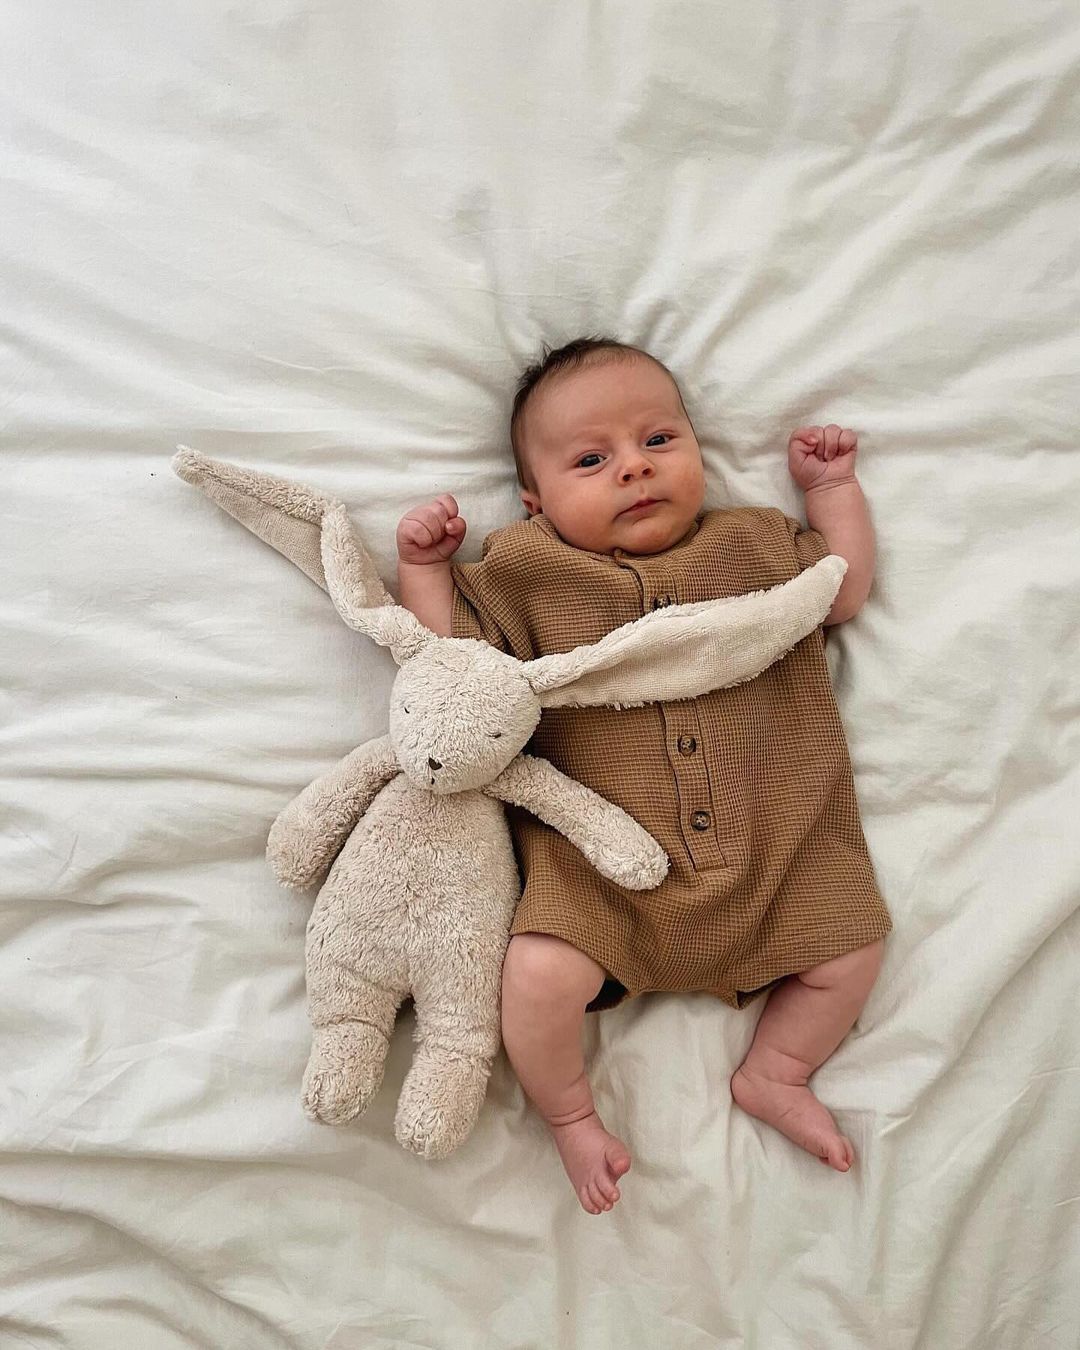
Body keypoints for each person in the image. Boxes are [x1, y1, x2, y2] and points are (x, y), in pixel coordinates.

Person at [396, 337, 891, 1215]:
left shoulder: (752, 545)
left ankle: (778, 1071)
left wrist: (832, 492)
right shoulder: (526, 573)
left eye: (659, 440)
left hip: (777, 860)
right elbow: (451, 661)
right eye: (592, 460)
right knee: (536, 976)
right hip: (603, 883)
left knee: (854, 943)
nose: (634, 467)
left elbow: (841, 589)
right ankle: (570, 1113)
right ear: (535, 501)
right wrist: (425, 569)